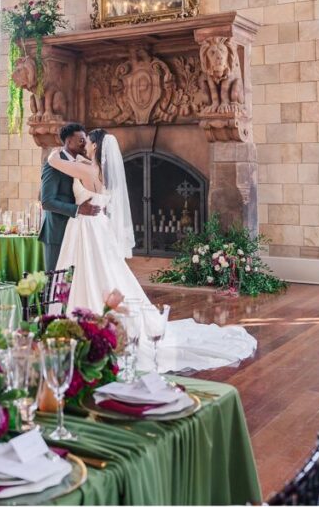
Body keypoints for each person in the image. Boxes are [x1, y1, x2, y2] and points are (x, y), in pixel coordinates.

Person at [47, 128, 257, 374]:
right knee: (107, 271)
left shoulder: (86, 170)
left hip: (86, 228)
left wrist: (53, 154)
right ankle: (99, 314)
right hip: (99, 227)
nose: (85, 145)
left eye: (88, 142)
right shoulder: (101, 172)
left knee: (90, 271)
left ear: (95, 147)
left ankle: (85, 315)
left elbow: (54, 162)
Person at [38, 122, 101, 271]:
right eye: (81, 140)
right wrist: (78, 209)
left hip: (79, 230)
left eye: (85, 140)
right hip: (57, 231)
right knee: (55, 279)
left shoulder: (82, 162)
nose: (85, 144)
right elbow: (47, 202)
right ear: (68, 141)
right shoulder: (53, 163)